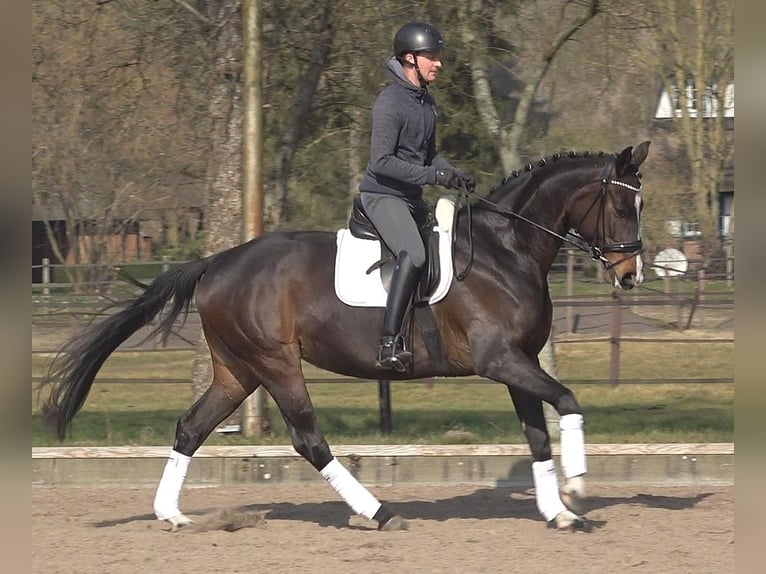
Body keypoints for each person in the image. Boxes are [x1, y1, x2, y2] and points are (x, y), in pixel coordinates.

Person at [358, 21, 476, 372]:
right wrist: (431, 175)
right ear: (410, 59)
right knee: (415, 252)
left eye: (438, 57)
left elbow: (429, 157)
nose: (438, 63)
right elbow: (381, 162)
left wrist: (452, 173)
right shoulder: (390, 102)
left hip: (412, 198)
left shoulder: (426, 103)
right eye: (432, 57)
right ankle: (388, 342)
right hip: (382, 195)